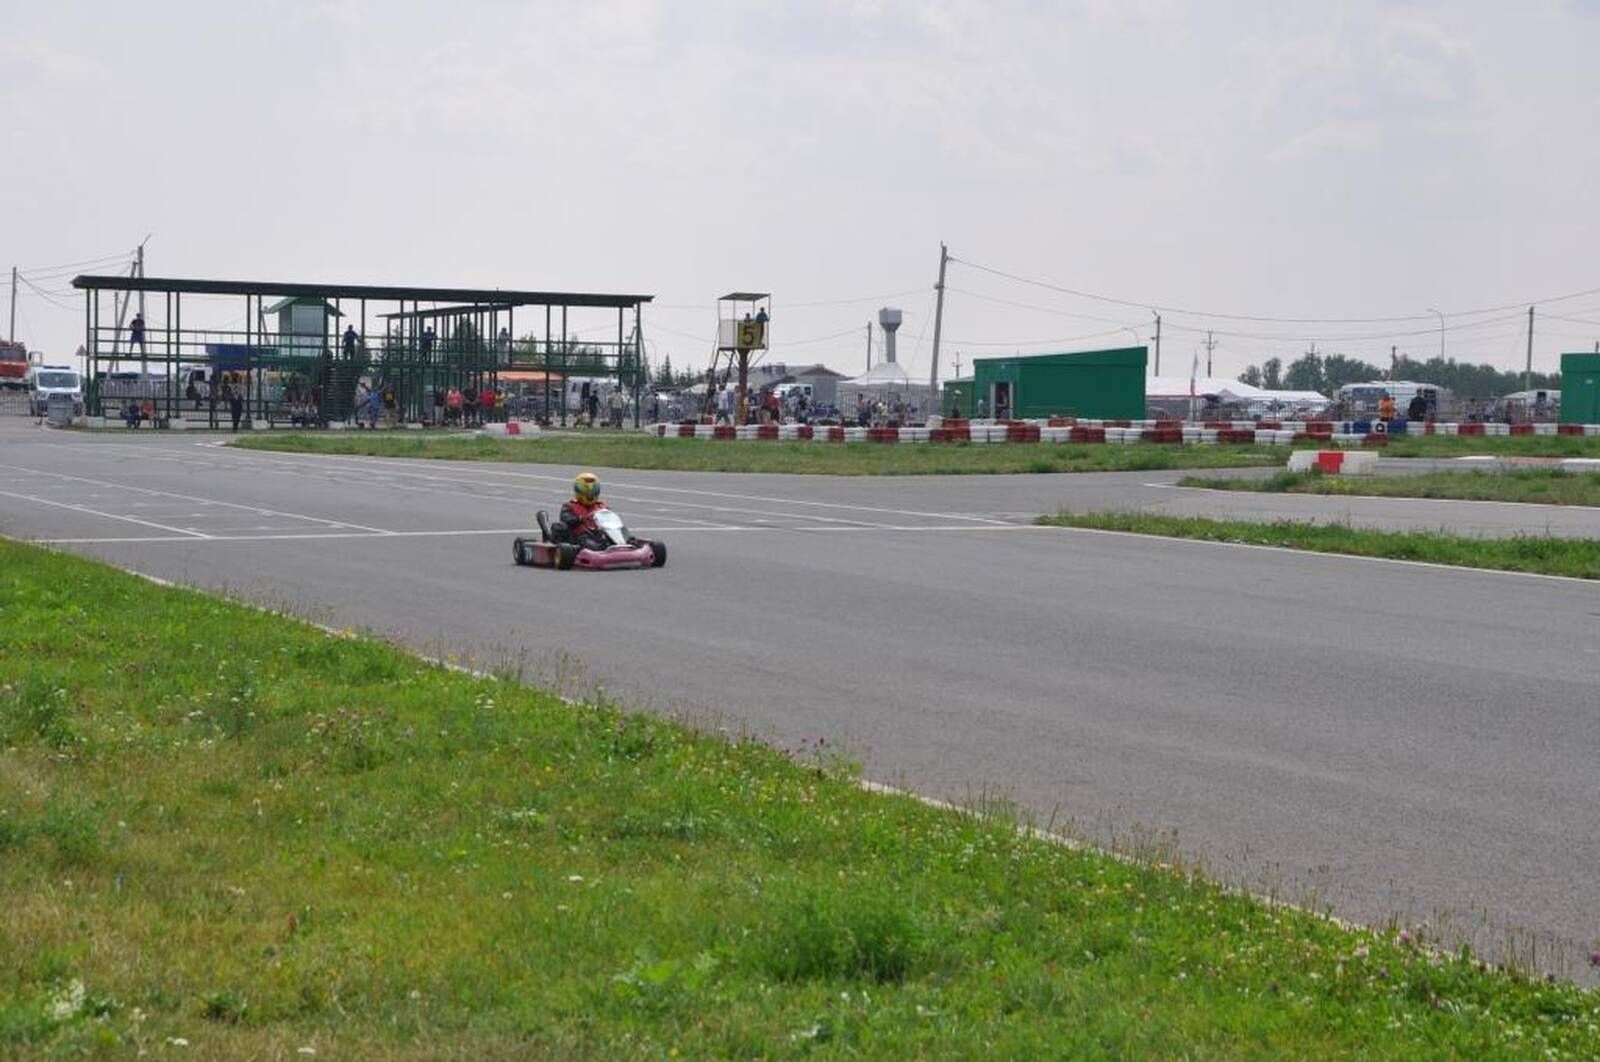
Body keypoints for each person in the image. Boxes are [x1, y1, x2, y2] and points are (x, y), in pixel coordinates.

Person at [555, 472, 610, 550]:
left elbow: (612, 520)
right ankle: (597, 549)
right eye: (586, 490)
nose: (589, 493)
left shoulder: (601, 506)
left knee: (614, 533)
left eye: (593, 490)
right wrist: (579, 518)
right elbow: (566, 519)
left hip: (600, 534)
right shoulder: (569, 506)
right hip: (581, 536)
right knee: (586, 540)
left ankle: (628, 542)